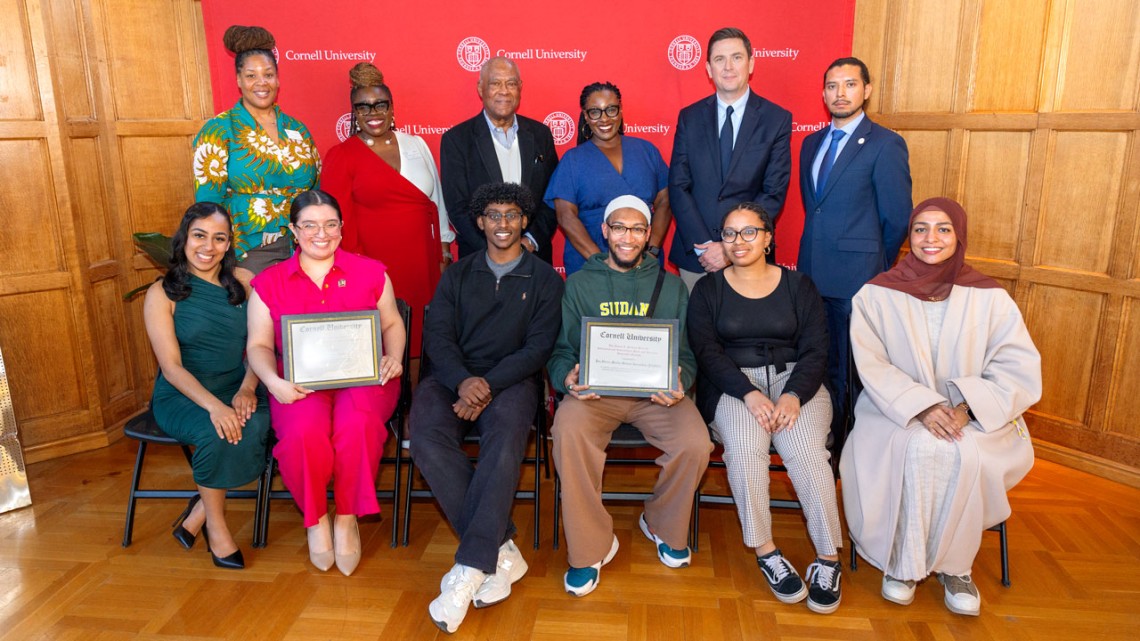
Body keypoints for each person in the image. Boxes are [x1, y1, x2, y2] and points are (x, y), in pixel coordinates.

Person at [840, 198, 1041, 617]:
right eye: (920, 229)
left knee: (960, 450)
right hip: (893, 410)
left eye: (943, 228)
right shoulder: (876, 295)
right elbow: (872, 364)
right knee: (920, 447)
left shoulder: (990, 298)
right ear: (908, 236)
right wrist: (923, 407)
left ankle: (956, 567)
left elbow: (1016, 367)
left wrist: (967, 409)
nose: (931, 238)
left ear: (960, 235)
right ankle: (904, 563)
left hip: (979, 414)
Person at [408, 183, 563, 634]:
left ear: (524, 221)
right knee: (427, 437)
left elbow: (537, 349)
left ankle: (470, 566)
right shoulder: (456, 274)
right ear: (479, 222)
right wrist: (463, 381)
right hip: (452, 376)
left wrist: (487, 385)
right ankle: (500, 550)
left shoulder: (545, 280)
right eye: (492, 215)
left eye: (511, 215)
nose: (502, 224)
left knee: (504, 441)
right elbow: (437, 336)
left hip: (512, 381)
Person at [548, 195, 712, 597]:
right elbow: (561, 352)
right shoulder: (579, 284)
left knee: (695, 443)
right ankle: (590, 547)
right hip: (595, 395)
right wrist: (567, 379)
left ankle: (660, 522)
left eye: (638, 228)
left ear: (648, 234)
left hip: (654, 396)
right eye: (619, 227)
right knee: (568, 433)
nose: (628, 237)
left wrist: (681, 380)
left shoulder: (672, 286)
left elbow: (688, 355)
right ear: (604, 231)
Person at [687, 203, 843, 614]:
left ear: (769, 238)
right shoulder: (708, 290)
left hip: (798, 383)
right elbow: (706, 352)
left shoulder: (799, 286)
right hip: (733, 384)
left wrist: (792, 394)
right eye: (729, 234)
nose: (738, 242)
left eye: (749, 232)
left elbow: (816, 349)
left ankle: (828, 558)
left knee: (807, 453)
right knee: (743, 450)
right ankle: (766, 551)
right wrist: (748, 392)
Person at [246, 189, 405, 576]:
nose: (322, 233)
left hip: (365, 378)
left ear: (342, 228)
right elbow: (259, 345)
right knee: (304, 433)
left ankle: (347, 516)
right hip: (296, 383)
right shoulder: (269, 283)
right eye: (310, 225)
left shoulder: (371, 272)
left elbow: (392, 322)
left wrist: (395, 357)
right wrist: (272, 381)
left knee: (359, 426)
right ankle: (316, 519)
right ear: (293, 231)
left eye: (330, 224)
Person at [143, 202, 271, 570]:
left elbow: (260, 346)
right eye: (200, 235)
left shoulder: (246, 283)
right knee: (218, 431)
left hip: (237, 384)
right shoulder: (161, 294)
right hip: (183, 394)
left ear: (229, 244)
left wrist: (247, 389)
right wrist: (215, 407)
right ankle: (216, 527)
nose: (208, 246)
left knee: (259, 421)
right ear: (184, 239)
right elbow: (171, 368)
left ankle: (200, 507)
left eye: (219, 238)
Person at [797, 57, 912, 426]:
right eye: (832, 86)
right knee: (817, 362)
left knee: (850, 370)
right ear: (823, 93)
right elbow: (813, 208)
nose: (840, 93)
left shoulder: (885, 144)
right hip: (811, 276)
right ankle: (822, 437)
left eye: (849, 84)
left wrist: (875, 264)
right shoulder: (810, 143)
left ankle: (850, 449)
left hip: (856, 279)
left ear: (867, 90)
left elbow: (896, 218)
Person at [322, 62, 451, 357]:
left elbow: (436, 202)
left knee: (423, 335)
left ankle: (417, 398)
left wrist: (443, 251)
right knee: (382, 340)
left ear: (392, 107)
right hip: (373, 266)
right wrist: (353, 270)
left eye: (380, 104)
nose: (373, 113)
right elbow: (335, 221)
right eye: (363, 107)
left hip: (422, 260)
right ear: (354, 112)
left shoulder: (416, 144)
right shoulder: (342, 156)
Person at [669, 27, 792, 290]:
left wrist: (730, 247)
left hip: (750, 255)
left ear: (751, 64)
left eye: (736, 57)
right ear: (708, 69)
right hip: (696, 256)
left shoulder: (776, 119)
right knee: (697, 330)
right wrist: (706, 248)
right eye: (719, 59)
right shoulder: (689, 118)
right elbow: (678, 185)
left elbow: (773, 192)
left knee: (748, 330)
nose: (728, 67)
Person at [193, 25, 319, 259]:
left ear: (278, 79)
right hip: (251, 247)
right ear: (238, 80)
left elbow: (316, 190)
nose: (262, 83)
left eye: (268, 74)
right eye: (251, 76)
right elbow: (208, 204)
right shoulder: (218, 130)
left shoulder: (297, 129)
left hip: (306, 244)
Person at [544, 81, 671, 275]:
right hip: (590, 266)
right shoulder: (573, 160)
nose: (604, 119)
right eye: (595, 112)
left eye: (611, 110)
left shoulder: (646, 151)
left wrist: (652, 250)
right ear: (586, 116)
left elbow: (665, 199)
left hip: (644, 263)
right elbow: (565, 216)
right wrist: (600, 261)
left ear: (620, 110)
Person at [440, 57, 559, 263]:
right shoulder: (457, 140)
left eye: (511, 83)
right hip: (480, 260)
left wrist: (530, 241)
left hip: (534, 258)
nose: (504, 90)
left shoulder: (541, 135)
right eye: (495, 83)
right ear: (480, 88)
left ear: (520, 88)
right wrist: (496, 250)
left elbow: (553, 198)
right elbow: (458, 207)